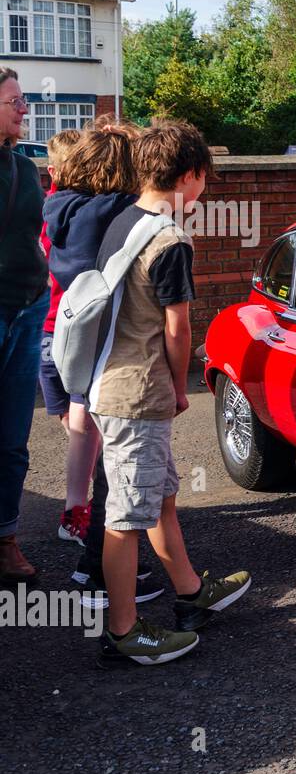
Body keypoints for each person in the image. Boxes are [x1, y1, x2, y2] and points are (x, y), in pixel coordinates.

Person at [92, 118, 251, 666]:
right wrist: (182, 386)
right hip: (138, 391)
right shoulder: (170, 239)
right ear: (190, 175)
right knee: (126, 513)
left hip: (112, 381)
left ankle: (189, 591)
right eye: (205, 177)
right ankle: (124, 631)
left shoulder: (123, 223)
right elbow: (177, 328)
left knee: (158, 494)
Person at [44, 120, 163, 605]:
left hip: (67, 339)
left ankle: (96, 556)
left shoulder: (60, 206)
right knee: (118, 466)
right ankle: (101, 576)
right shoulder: (114, 214)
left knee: (103, 455)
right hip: (107, 350)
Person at [37, 128, 102, 546]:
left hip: (47, 333)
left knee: (77, 425)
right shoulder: (93, 215)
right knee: (86, 426)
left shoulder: (47, 212)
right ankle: (82, 511)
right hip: (77, 333)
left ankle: (78, 507)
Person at [0, 68, 50, 585]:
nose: (25, 108)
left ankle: (6, 540)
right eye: (15, 100)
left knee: (13, 439)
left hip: (27, 308)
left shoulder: (23, 165)